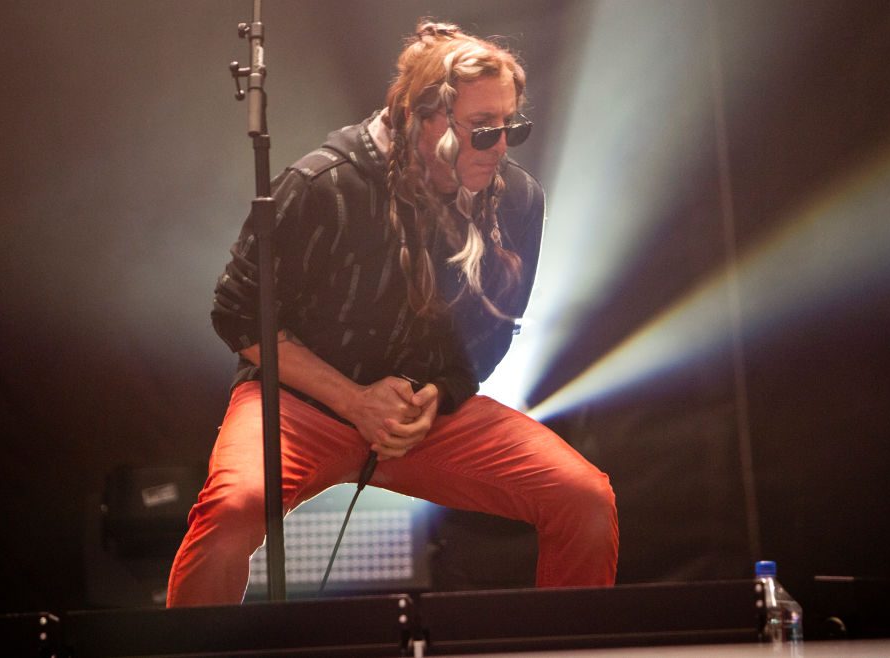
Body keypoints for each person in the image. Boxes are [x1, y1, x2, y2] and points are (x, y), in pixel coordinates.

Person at [167, 20, 618, 607]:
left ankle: (571, 645)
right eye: (484, 129)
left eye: (513, 126)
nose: (502, 146)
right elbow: (238, 315)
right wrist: (355, 401)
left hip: (420, 415)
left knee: (583, 498)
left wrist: (439, 393)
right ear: (420, 118)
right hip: (302, 404)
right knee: (233, 511)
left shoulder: (518, 199)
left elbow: (493, 331)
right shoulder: (322, 184)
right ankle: (194, 647)